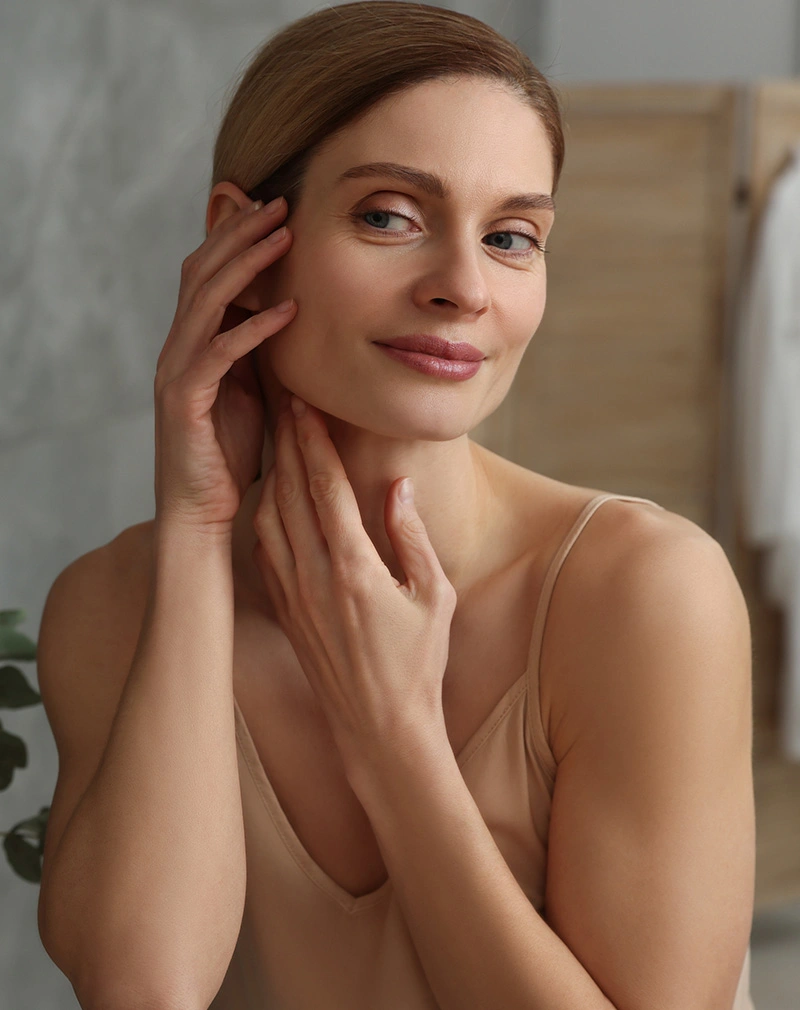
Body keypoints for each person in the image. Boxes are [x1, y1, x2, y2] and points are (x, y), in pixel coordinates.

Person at [35, 3, 756, 1009]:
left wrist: (392, 733)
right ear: (240, 239)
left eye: (511, 235)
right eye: (390, 216)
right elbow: (142, 988)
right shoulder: (109, 606)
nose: (462, 285)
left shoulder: (640, 593)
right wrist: (197, 533)